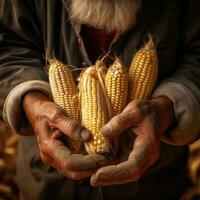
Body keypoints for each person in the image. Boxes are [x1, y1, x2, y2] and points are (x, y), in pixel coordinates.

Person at [0, 0, 200, 199]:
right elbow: (9, 46)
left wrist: (166, 109)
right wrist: (32, 102)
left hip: (155, 185)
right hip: (48, 186)